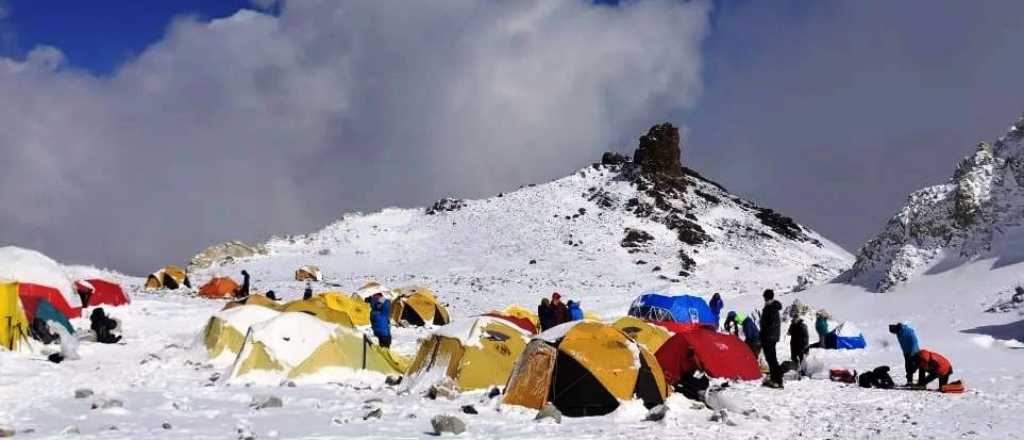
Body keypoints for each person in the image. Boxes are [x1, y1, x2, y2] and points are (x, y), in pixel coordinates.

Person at [760, 289, 783, 388]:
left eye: (765, 298)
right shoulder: (772, 308)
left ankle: (777, 380)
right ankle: (775, 379)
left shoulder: (771, 308)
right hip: (771, 337)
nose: (764, 300)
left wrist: (763, 334)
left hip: (769, 337)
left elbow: (768, 325)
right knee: (771, 359)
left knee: (772, 359)